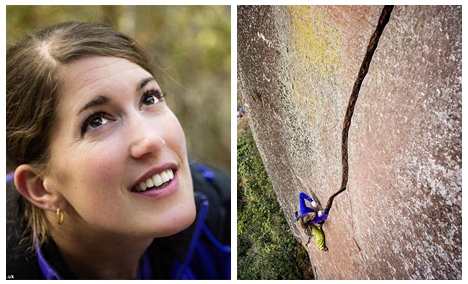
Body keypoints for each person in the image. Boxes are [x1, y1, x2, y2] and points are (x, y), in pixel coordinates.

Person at [6, 22, 230, 280]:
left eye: (149, 99)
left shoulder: (225, 213)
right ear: (40, 187)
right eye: (96, 121)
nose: (151, 140)